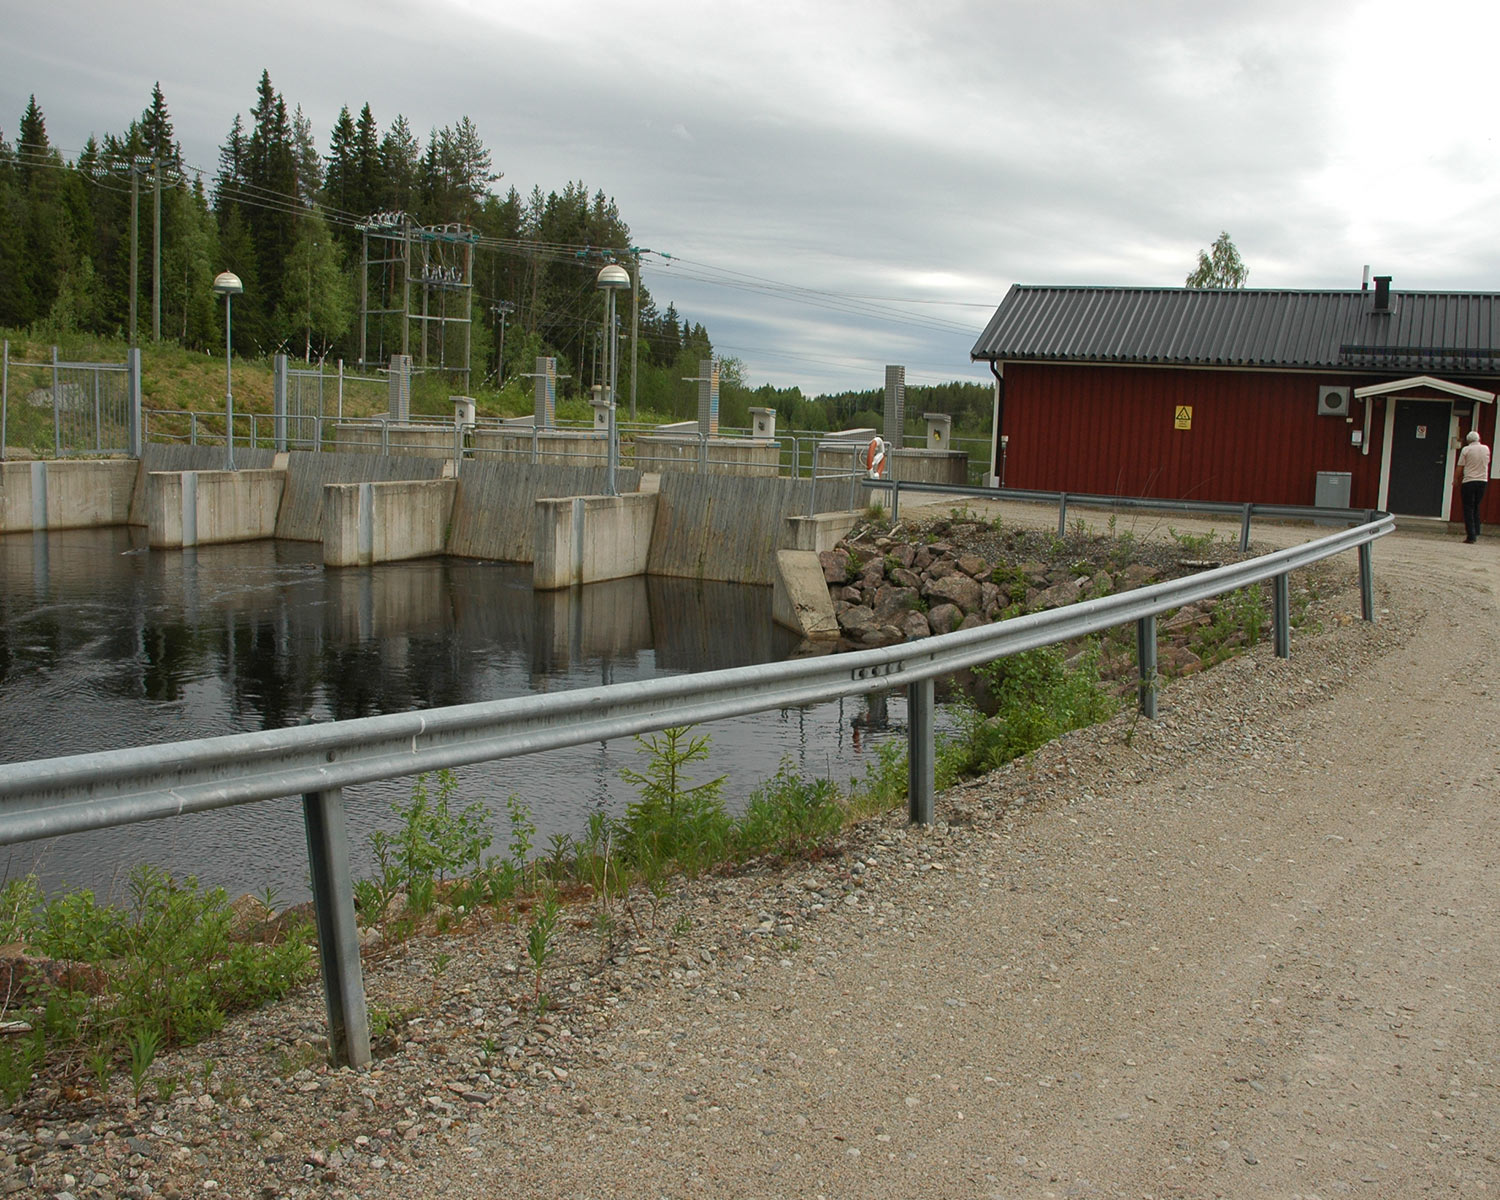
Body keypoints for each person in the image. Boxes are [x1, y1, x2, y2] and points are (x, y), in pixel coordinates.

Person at [1456, 429, 1491, 543]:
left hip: (1469, 481)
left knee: (1468, 507)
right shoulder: (1486, 449)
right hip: (1482, 481)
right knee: (1476, 505)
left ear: (1468, 441)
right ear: (1479, 439)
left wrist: (1455, 479)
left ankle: (1471, 535)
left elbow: (1460, 466)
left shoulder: (1466, 450)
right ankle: (1477, 530)